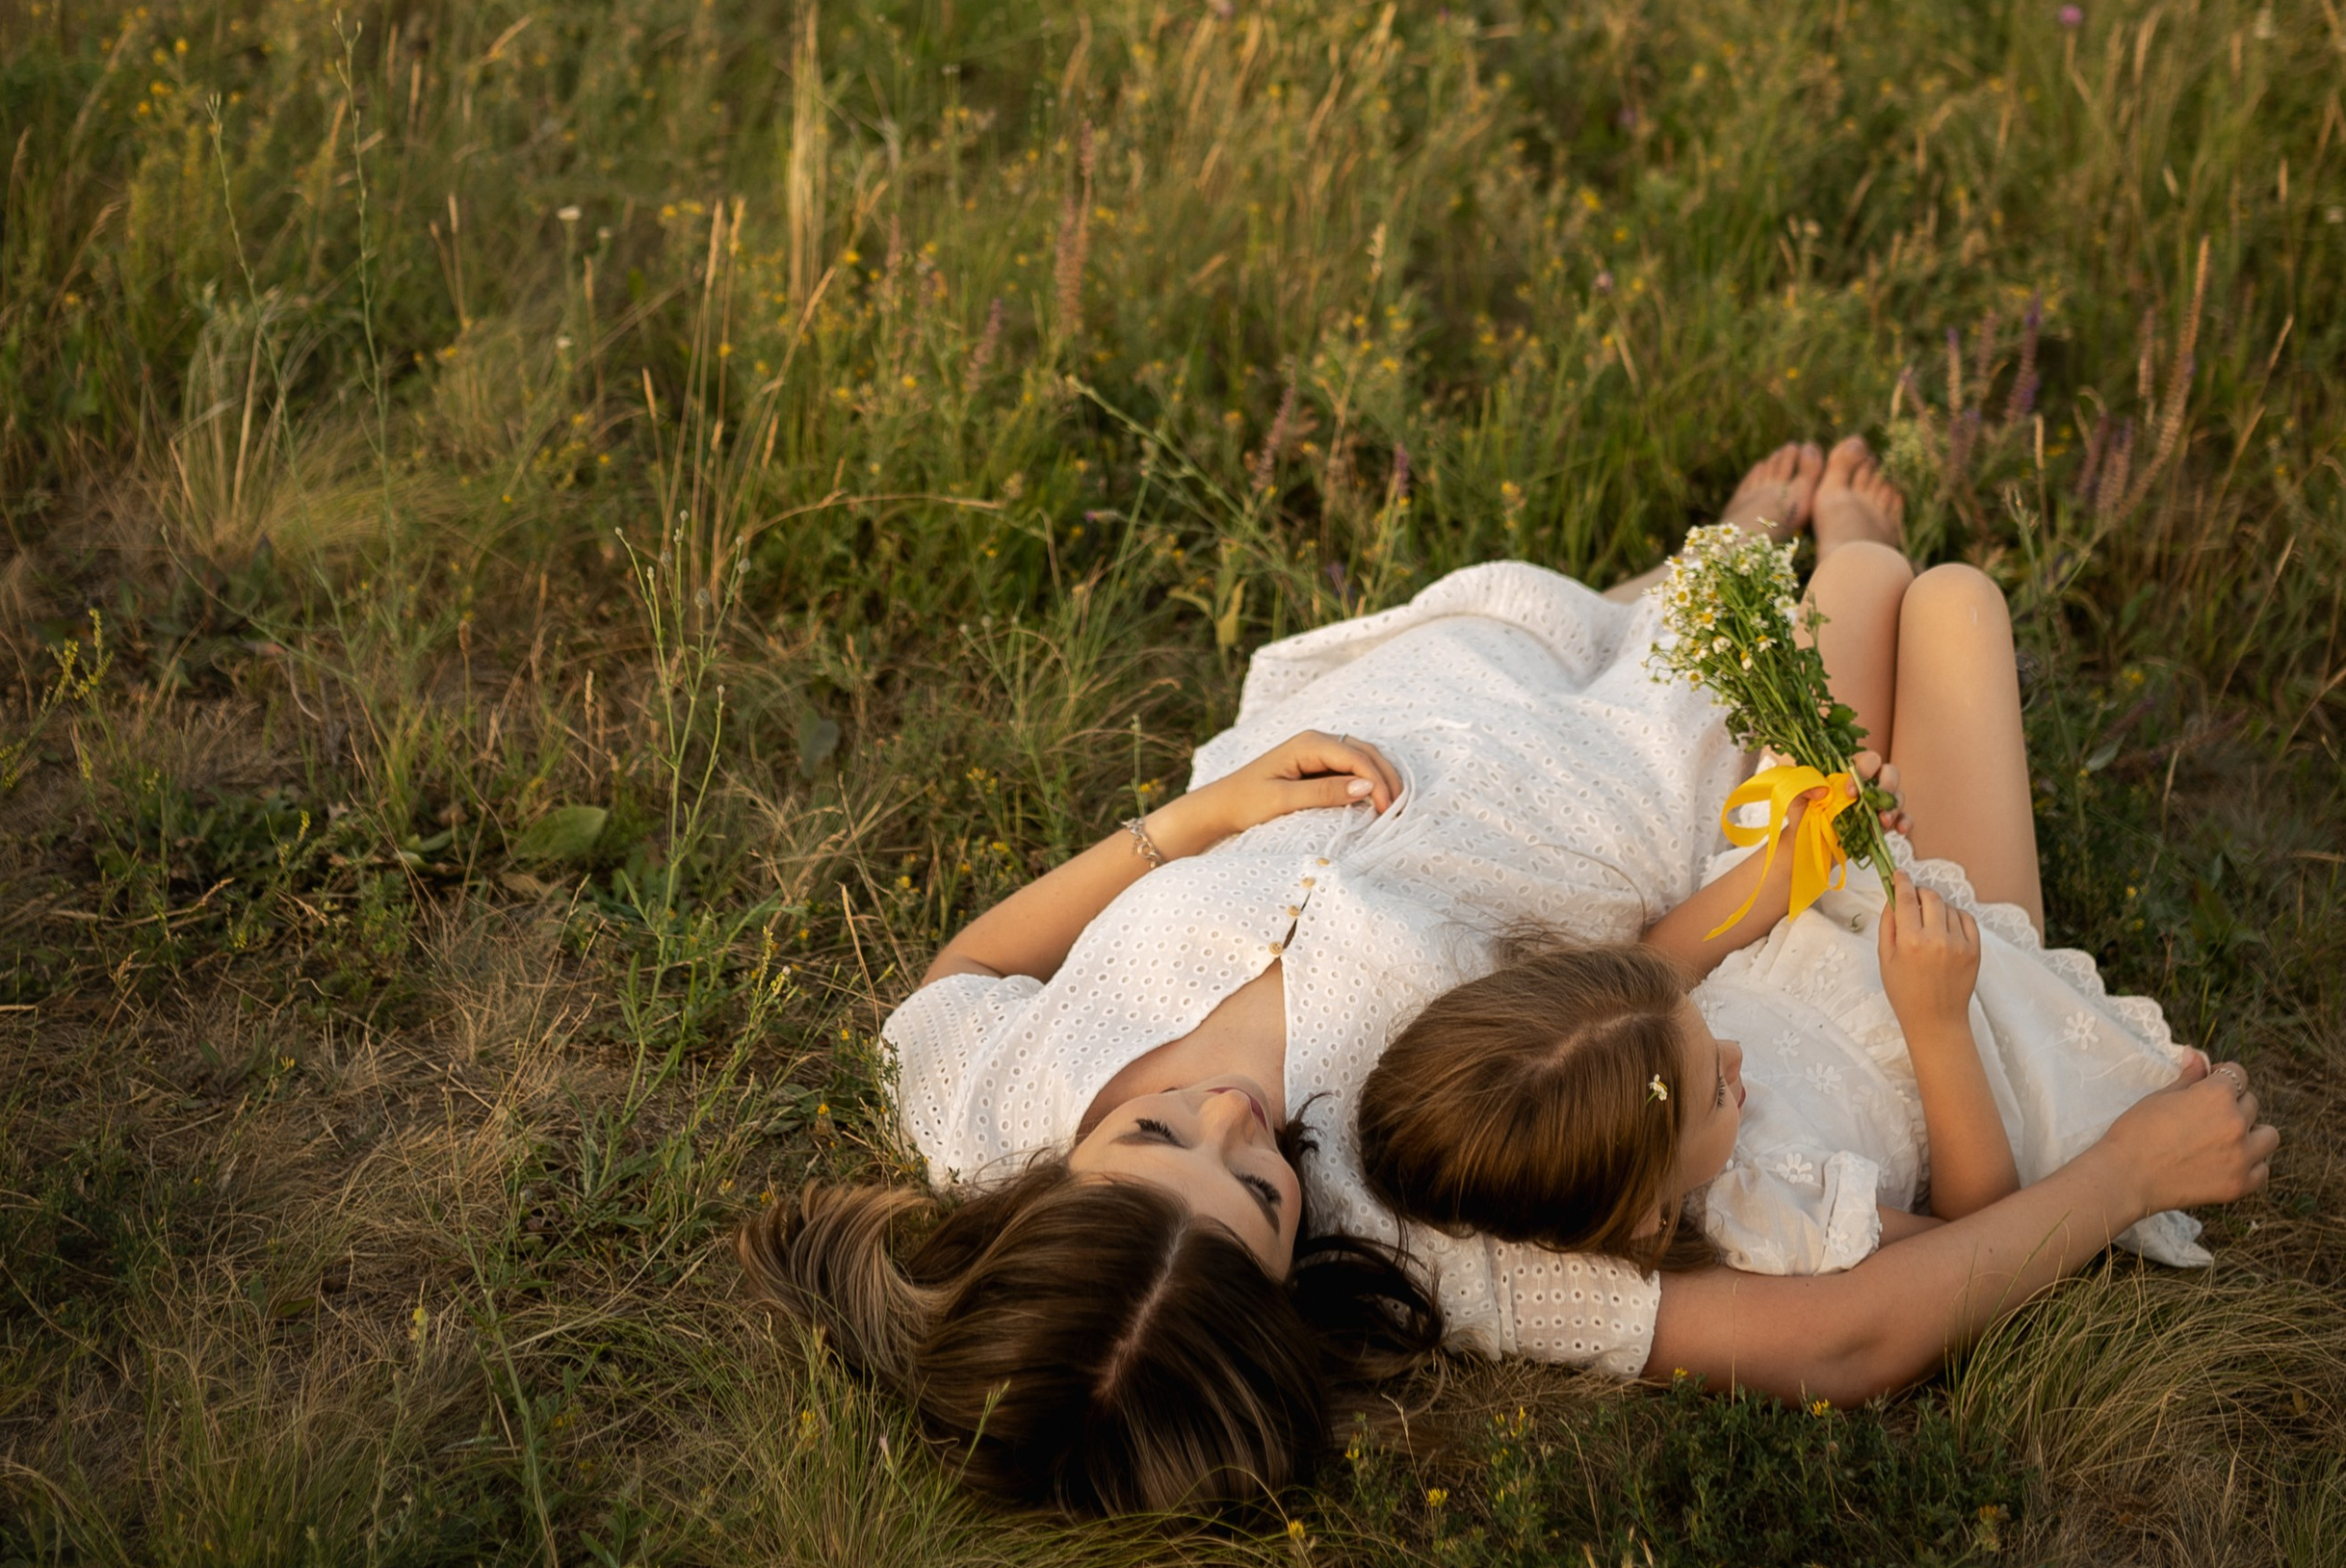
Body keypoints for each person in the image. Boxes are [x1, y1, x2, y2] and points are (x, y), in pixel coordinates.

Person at [742, 439, 2277, 1510]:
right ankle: (1715, 593)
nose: (1230, 1113)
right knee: (1828, 642)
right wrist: (2129, 1165)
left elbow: (955, 974)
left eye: (1156, 1134)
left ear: (1047, 1180)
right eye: (1258, 1189)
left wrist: (1187, 821)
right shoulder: (1421, 1203)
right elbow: (1839, 1337)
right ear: (1293, 1271)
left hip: (1418, 714)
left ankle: (1690, 568)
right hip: (1613, 799)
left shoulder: (980, 1101)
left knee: (1531, 635)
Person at [1358, 548, 2216, 1281]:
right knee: (1959, 603)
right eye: (1718, 1089)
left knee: (1859, 574)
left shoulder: (1620, 1050)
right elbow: (1976, 1231)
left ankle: (1862, 554)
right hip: (1962, 976)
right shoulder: (1771, 1216)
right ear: (1653, 1218)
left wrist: (1800, 854)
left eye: (1700, 1024)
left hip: (1819, 897)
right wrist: (1939, 1017)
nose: (1737, 1057)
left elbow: (1669, 951)